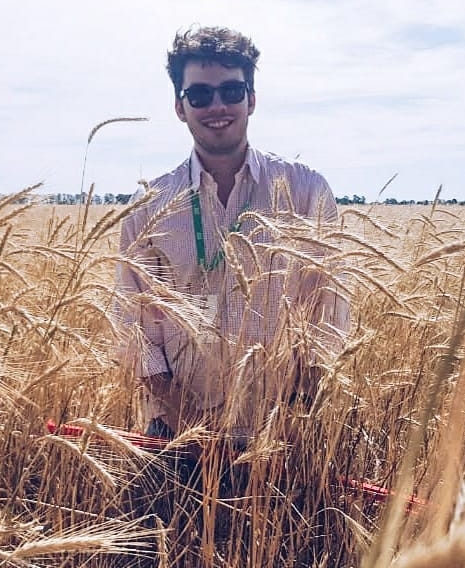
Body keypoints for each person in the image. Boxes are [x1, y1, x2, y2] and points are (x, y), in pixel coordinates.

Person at [116, 26, 350, 443]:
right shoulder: (149, 205)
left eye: (231, 91)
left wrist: (296, 417)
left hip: (282, 432)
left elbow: (329, 312)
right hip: (177, 434)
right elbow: (136, 329)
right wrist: (191, 428)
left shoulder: (305, 190)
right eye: (200, 95)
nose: (217, 106)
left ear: (252, 99)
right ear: (179, 106)